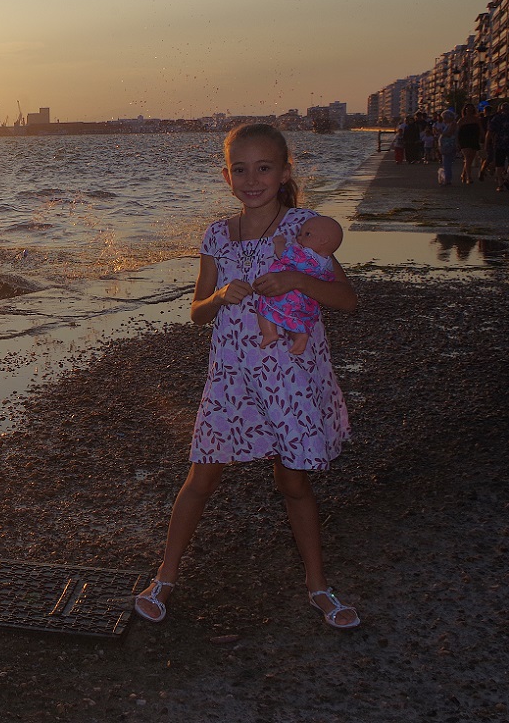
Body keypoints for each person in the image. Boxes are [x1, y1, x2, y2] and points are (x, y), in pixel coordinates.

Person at [134, 123, 360, 631]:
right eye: (240, 169)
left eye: (263, 168)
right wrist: (218, 298)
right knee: (202, 474)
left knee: (293, 480)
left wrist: (299, 279)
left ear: (284, 171)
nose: (251, 179)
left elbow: (346, 298)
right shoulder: (216, 233)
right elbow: (196, 311)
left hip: (290, 376)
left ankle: (318, 585)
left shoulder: (304, 228)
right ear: (226, 175)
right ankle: (164, 577)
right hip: (231, 376)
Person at [256, 214, 344, 355]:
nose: (299, 238)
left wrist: (279, 244)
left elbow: (283, 255)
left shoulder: (305, 255)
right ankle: (301, 335)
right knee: (295, 318)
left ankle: (269, 333)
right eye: (300, 233)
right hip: (306, 301)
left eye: (306, 234)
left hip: (288, 295)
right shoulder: (325, 263)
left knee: (264, 306)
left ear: (323, 240)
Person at [486, 101, 509, 191]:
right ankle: (506, 179)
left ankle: (501, 183)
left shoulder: (496, 118)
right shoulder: (497, 118)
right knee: (500, 165)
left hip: (499, 143)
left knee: (499, 165)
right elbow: (490, 131)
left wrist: (487, 143)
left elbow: (490, 131)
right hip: (502, 143)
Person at [456, 103, 482, 185]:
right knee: (467, 157)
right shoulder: (461, 120)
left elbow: (481, 129)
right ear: (465, 110)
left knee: (470, 159)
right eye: (468, 109)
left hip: (474, 140)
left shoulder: (476, 119)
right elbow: (457, 132)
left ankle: (463, 174)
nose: (469, 111)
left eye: (471, 109)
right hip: (464, 140)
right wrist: (457, 142)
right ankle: (469, 177)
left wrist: (483, 137)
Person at [437, 109, 459, 186]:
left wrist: (441, 133)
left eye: (444, 118)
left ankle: (447, 179)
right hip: (446, 145)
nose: (444, 120)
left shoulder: (453, 124)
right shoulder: (449, 124)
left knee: (447, 163)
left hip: (449, 145)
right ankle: (446, 178)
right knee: (446, 163)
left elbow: (449, 134)